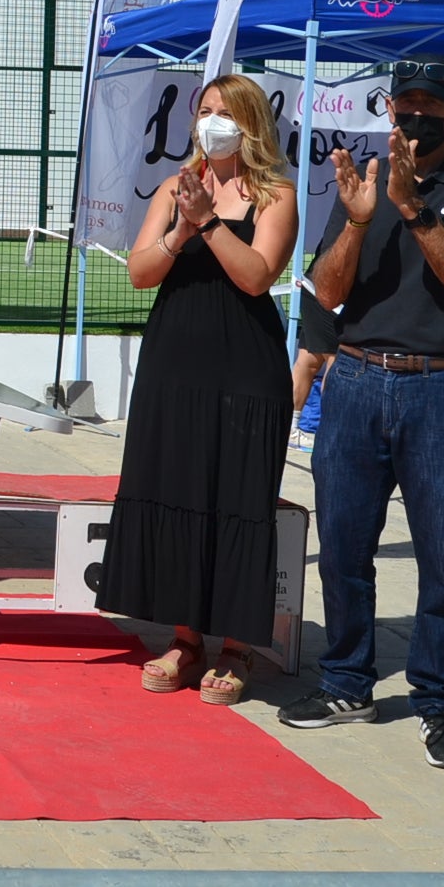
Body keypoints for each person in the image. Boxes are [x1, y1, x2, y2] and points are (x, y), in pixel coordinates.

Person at [281, 55, 444, 772]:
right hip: (355, 383)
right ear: (389, 109)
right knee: (345, 551)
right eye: (406, 103)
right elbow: (325, 291)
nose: (417, 116)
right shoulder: (362, 183)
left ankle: (441, 704)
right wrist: (356, 222)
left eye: (432, 104)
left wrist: (414, 208)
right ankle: (348, 682)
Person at [98, 73, 299, 706]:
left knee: (238, 500)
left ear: (250, 125)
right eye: (203, 111)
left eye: (223, 113)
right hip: (175, 363)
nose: (209, 122)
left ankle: (238, 644)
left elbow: (257, 277)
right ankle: (185, 638)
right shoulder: (173, 187)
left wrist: (209, 224)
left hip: (245, 368)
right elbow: (138, 272)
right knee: (177, 490)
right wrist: (180, 229)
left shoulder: (278, 195)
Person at [289, 299, 338, 452]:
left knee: (309, 360)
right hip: (329, 294)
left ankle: (291, 427)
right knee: (334, 360)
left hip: (317, 292)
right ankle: (328, 431)